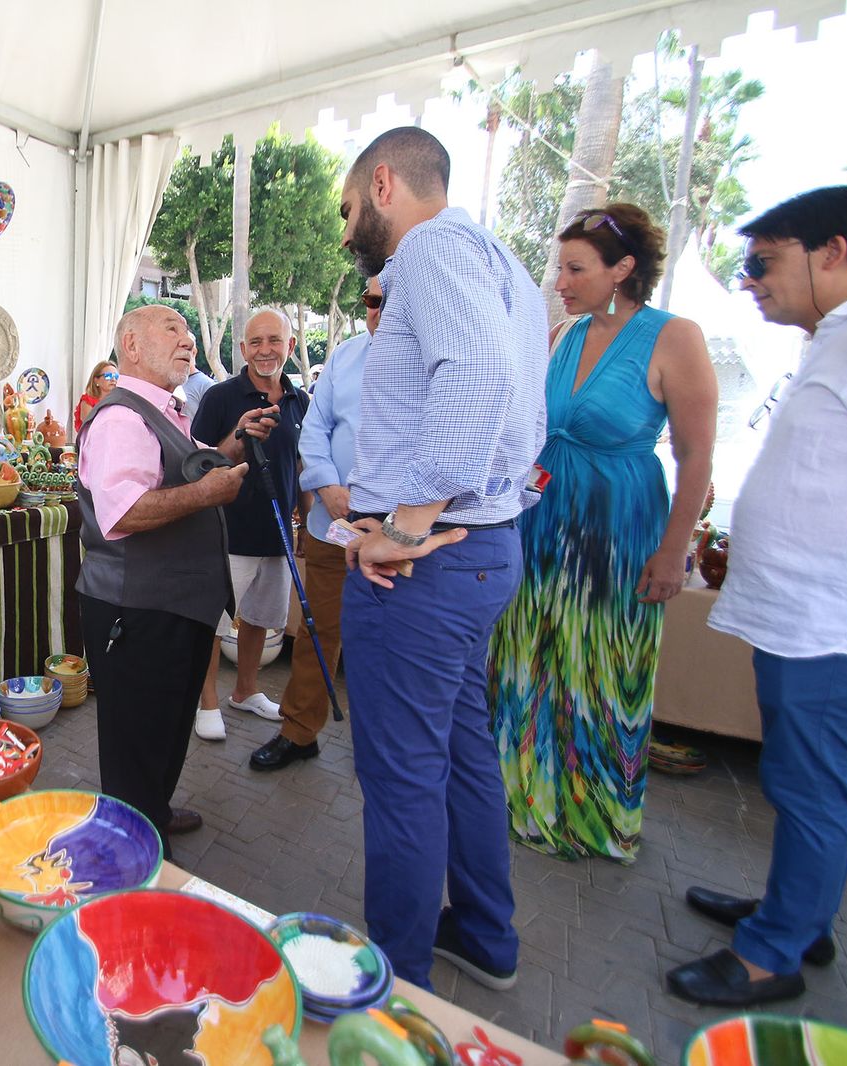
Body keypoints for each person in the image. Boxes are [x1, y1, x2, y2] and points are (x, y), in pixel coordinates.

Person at [668, 186, 847, 1008]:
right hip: (808, 619)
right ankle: (802, 914)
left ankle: (773, 954)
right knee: (803, 782)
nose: (751, 280)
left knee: (810, 784)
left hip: (838, 622)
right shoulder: (842, 337)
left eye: (762, 262)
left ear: (831, 251)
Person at [335, 127, 547, 991]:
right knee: (461, 753)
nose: (348, 232)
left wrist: (408, 525)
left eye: (349, 209)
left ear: (384, 184)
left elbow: (480, 377)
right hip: (486, 546)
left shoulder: (430, 251)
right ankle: (486, 938)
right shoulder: (508, 266)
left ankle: (397, 986)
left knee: (403, 778)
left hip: (428, 564)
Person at [488, 204, 718, 862]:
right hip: (542, 518)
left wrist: (674, 552)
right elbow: (534, 432)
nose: (560, 279)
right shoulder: (563, 333)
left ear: (622, 269)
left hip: (617, 530)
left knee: (597, 668)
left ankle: (593, 818)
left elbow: (696, 456)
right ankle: (522, 798)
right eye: (560, 266)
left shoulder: (675, 337)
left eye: (575, 268)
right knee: (525, 656)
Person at [75, 304, 251, 856]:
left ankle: (151, 812)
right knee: (137, 741)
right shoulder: (122, 417)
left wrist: (224, 453)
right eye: (172, 329)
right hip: (137, 611)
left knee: (167, 730)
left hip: (169, 606)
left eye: (189, 332)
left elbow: (172, 470)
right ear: (131, 344)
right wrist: (207, 493)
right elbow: (122, 513)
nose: (188, 340)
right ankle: (133, 854)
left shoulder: (163, 411)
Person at [249, 278, 382, 771]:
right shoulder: (346, 356)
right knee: (318, 629)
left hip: (404, 536)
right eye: (370, 300)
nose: (377, 310)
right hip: (338, 523)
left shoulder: (439, 355)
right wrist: (327, 488)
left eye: (388, 300)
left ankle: (387, 746)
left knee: (394, 639)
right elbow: (316, 429)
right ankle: (300, 731)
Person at [189, 310, 310, 741]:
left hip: (276, 533)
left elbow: (301, 464)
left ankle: (245, 692)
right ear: (242, 349)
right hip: (227, 531)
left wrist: (308, 524)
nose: (265, 350)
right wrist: (238, 439)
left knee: (259, 618)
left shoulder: (300, 400)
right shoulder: (221, 397)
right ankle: (206, 702)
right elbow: (201, 463)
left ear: (290, 347)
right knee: (213, 622)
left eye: (274, 341)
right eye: (255, 342)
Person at [74, 360, 119, 433]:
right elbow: (90, 427)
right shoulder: (87, 401)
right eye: (108, 376)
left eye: (116, 376)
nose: (113, 379)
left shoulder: (118, 401)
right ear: (96, 381)